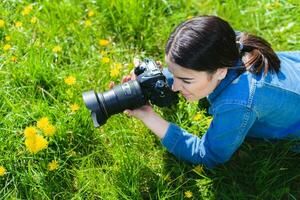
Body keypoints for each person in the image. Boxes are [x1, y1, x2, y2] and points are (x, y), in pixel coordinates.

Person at [121, 15, 300, 169]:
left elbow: (208, 155)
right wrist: (153, 79)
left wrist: (149, 117)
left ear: (220, 71)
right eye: (173, 75)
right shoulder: (227, 44)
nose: (174, 87)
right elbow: (187, 70)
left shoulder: (238, 102)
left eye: (186, 80)